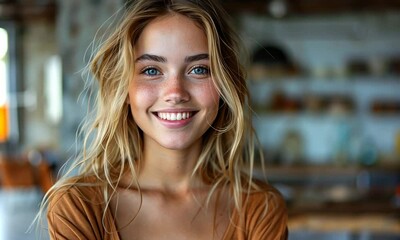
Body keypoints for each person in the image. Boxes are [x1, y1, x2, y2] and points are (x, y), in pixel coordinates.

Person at [40, 0, 288, 239]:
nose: (175, 93)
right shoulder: (78, 207)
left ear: (225, 85)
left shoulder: (260, 209)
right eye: (151, 70)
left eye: (199, 69)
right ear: (124, 88)